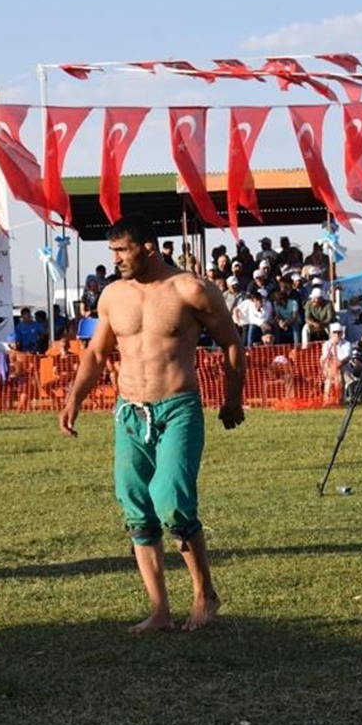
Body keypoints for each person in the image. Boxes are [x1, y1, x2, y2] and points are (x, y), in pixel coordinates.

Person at [59, 214, 244, 634]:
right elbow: (96, 354)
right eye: (113, 252)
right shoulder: (112, 296)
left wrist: (233, 400)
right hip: (129, 412)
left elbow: (232, 343)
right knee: (136, 508)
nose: (117, 259)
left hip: (178, 407)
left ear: (149, 247)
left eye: (123, 250)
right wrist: (74, 398)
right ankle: (159, 611)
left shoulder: (191, 289)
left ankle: (204, 594)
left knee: (171, 501)